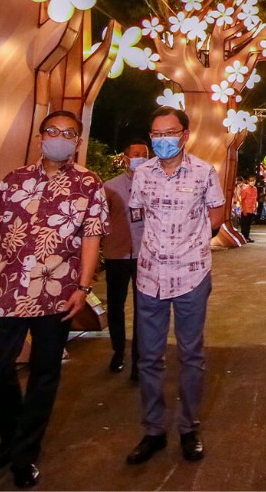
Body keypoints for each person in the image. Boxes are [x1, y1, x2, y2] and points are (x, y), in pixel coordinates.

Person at [0, 110, 108, 489]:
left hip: (57, 294)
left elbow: (91, 239)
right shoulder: (13, 180)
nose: (60, 138)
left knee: (45, 375)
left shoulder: (89, 185)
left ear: (77, 142)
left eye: (69, 133)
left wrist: (82, 288)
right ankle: (13, 436)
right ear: (40, 137)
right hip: (7, 290)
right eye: (53, 131)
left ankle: (24, 452)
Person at [125, 107, 227, 466]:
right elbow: (136, 213)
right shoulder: (143, 174)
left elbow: (216, 213)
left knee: (191, 355)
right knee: (149, 357)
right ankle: (153, 430)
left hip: (192, 275)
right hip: (149, 276)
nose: (162, 140)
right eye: (156, 134)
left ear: (184, 135)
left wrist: (196, 241)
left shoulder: (203, 173)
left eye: (169, 132)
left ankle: (188, 428)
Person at [103, 141, 148, 379]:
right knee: (116, 306)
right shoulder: (109, 187)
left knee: (143, 308)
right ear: (126, 158)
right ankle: (118, 351)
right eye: (136, 155)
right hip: (117, 255)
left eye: (145, 155)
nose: (140, 158)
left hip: (144, 255)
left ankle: (138, 361)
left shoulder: (153, 186)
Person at [239, 176, 259, 242]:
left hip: (251, 209)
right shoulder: (245, 189)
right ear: (248, 181)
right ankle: (244, 237)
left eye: (254, 180)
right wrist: (244, 210)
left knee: (248, 224)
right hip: (246, 209)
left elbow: (255, 199)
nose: (253, 182)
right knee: (244, 224)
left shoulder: (255, 189)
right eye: (251, 180)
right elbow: (242, 200)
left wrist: (255, 208)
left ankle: (247, 237)